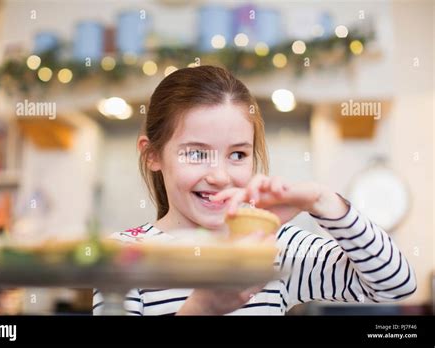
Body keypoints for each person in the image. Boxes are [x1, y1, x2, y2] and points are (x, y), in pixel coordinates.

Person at [93, 65, 416, 315]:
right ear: (152, 155)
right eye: (195, 153)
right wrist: (201, 310)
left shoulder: (273, 246)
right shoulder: (123, 255)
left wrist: (321, 200)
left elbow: (395, 286)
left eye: (237, 154)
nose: (219, 176)